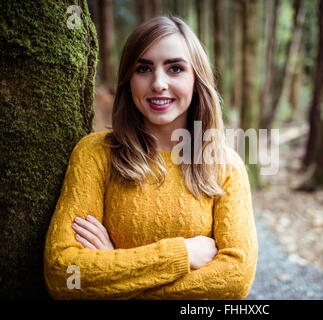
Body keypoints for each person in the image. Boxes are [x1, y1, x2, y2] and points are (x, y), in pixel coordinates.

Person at [43, 16, 258, 300]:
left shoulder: (225, 166)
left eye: (176, 68)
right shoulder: (95, 154)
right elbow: (64, 274)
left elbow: (235, 281)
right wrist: (183, 254)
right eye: (143, 68)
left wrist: (115, 267)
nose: (158, 83)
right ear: (128, 80)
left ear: (196, 80)